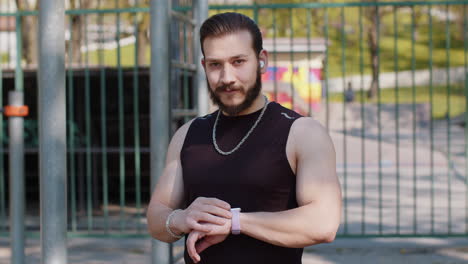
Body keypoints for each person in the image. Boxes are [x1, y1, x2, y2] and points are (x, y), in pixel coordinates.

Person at [146, 12, 342, 264]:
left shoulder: (302, 133)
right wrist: (181, 219)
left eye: (238, 61)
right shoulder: (188, 134)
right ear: (204, 67)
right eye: (216, 64)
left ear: (261, 60)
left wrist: (235, 222)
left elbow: (324, 223)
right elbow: (155, 218)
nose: (227, 77)